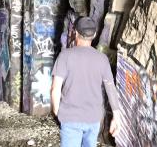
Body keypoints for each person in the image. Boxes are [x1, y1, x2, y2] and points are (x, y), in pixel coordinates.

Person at [51, 17, 122, 147]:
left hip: (70, 117)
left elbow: (55, 89)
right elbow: (110, 88)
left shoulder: (65, 56)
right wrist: (116, 116)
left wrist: (57, 112)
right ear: (94, 35)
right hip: (93, 118)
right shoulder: (102, 59)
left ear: (75, 32)